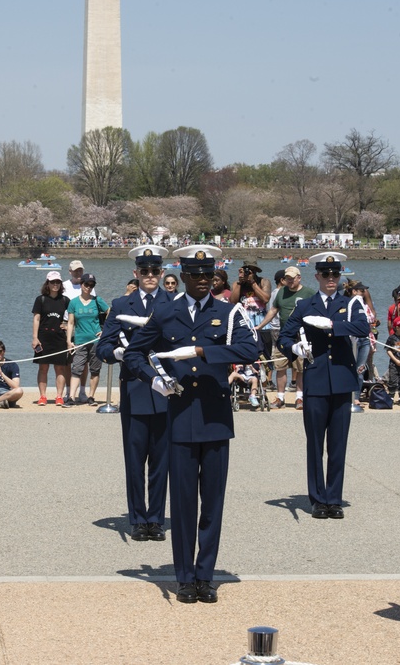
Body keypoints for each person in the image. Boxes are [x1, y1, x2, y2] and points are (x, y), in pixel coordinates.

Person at [123, 244, 260, 604]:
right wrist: (154, 380)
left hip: (215, 419)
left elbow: (251, 350)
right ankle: (184, 576)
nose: (202, 281)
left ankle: (206, 575)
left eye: (207, 275)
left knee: (212, 503)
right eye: (195, 275)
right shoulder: (167, 313)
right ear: (182, 277)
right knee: (183, 504)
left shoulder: (229, 313)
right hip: (181, 418)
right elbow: (135, 353)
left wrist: (202, 352)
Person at [279, 252, 370, 520]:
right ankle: (318, 499)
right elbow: (284, 335)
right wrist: (295, 347)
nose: (332, 279)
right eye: (326, 275)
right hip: (316, 380)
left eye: (336, 274)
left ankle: (334, 498)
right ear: (317, 276)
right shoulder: (304, 305)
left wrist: (333, 325)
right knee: (315, 443)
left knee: (338, 444)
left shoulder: (351, 303)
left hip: (342, 379)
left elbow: (363, 327)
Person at [97, 245, 172, 543]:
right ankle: (138, 519)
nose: (150, 276)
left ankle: (156, 518)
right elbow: (102, 347)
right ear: (136, 273)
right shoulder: (121, 304)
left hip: (166, 388)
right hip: (135, 388)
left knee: (162, 459)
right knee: (134, 458)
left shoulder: (175, 302)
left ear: (162, 273)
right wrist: (117, 351)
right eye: (145, 271)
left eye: (155, 271)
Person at [255, 266, 314, 409]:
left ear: (299, 278)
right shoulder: (281, 292)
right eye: (287, 278)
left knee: (300, 368)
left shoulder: (309, 293)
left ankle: (299, 398)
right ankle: (280, 397)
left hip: (301, 336)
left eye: (292, 278)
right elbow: (273, 311)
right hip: (283, 335)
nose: (290, 281)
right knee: (280, 366)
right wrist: (260, 326)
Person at [65, 272, 108, 407]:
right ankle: (71, 397)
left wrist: (105, 330)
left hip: (95, 341)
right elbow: (70, 323)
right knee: (76, 368)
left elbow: (110, 312)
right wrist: (68, 341)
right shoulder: (74, 302)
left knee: (95, 369)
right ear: (81, 284)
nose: (88, 287)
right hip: (80, 340)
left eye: (91, 285)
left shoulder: (97, 300)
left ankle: (91, 396)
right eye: (86, 284)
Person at [31, 270, 71, 406]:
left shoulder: (65, 300)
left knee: (60, 368)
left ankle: (59, 396)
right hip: (43, 336)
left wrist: (66, 325)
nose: (55, 285)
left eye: (58, 282)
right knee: (43, 367)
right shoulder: (40, 299)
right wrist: (35, 337)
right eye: (53, 282)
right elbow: (36, 319)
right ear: (47, 283)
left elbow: (72, 318)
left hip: (59, 337)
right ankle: (43, 396)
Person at [229, 260, 271, 358]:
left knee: (266, 357)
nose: (248, 273)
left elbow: (265, 299)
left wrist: (253, 283)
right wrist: (240, 282)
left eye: (251, 271)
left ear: (256, 272)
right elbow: (232, 302)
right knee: (246, 356)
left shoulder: (263, 282)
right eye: (246, 270)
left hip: (263, 326)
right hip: (244, 326)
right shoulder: (237, 284)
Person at [346, 280, 376, 412]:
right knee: (351, 367)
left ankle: (356, 396)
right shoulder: (352, 302)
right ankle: (350, 396)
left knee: (360, 369)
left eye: (363, 291)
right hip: (355, 339)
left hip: (365, 338)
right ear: (354, 291)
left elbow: (371, 319)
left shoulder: (363, 304)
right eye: (360, 290)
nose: (363, 293)